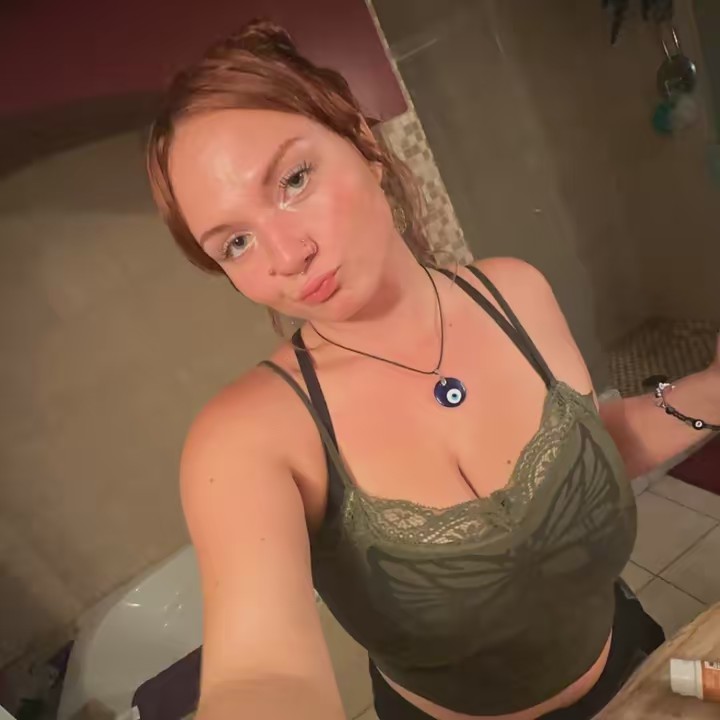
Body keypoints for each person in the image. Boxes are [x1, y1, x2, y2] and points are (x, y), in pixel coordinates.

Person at [146, 20, 720, 720]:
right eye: (235, 243)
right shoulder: (246, 438)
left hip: (635, 662)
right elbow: (261, 673)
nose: (287, 256)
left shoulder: (514, 291)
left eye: (294, 180)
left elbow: (592, 446)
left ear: (363, 144)